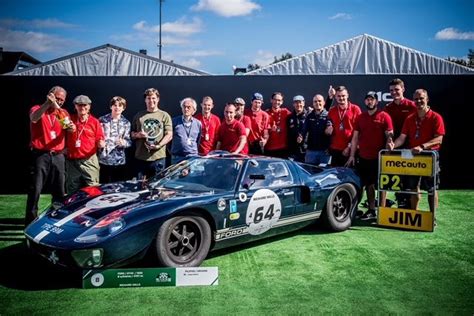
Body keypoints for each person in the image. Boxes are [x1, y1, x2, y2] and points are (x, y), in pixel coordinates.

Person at [387, 89, 445, 213]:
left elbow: (439, 139)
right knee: (413, 188)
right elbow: (402, 138)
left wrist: (423, 147)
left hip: (429, 157)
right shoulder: (410, 118)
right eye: (416, 99)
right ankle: (414, 214)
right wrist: (393, 145)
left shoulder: (436, 117)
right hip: (413, 157)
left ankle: (432, 217)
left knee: (431, 189)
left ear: (427, 99)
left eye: (421, 98)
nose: (419, 101)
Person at [25, 86, 75, 226]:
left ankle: (56, 220)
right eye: (57, 98)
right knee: (35, 190)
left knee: (59, 190)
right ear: (50, 95)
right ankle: (31, 222)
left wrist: (70, 127)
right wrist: (48, 103)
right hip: (41, 155)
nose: (59, 101)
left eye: (62, 100)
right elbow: (34, 118)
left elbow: (68, 128)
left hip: (58, 156)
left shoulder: (62, 113)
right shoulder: (37, 109)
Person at [346, 92, 393, 220]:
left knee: (382, 186)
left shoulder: (384, 116)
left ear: (376, 102)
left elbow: (389, 133)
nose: (369, 102)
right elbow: (355, 138)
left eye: (372, 99)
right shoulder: (361, 117)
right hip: (364, 157)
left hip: (380, 158)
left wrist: (390, 140)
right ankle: (372, 210)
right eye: (367, 100)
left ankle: (382, 212)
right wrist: (352, 156)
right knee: (369, 185)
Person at [384, 78, 417, 208]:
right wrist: (389, 140)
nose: (394, 92)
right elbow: (387, 128)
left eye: (397, 90)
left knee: (409, 176)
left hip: (409, 148)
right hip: (394, 147)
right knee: (396, 175)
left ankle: (410, 206)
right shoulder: (388, 107)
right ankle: (401, 202)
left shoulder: (412, 106)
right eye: (391, 90)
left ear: (403, 89)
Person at [65, 95, 105, 194]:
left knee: (93, 188)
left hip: (89, 160)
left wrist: (101, 143)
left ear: (89, 107)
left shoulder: (95, 122)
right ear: (75, 106)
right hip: (72, 161)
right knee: (71, 188)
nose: (82, 108)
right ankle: (73, 209)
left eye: (85, 105)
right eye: (79, 105)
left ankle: (93, 209)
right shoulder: (69, 120)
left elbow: (100, 138)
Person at [131, 88, 173, 180]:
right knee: (139, 187)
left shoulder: (164, 115)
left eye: (153, 98)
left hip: (158, 158)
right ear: (145, 100)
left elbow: (169, 135)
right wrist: (138, 135)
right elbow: (131, 134)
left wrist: (159, 145)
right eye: (148, 98)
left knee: (157, 188)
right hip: (141, 158)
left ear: (158, 99)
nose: (151, 101)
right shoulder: (139, 115)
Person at [98, 96, 132, 183]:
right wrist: (99, 143)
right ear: (111, 107)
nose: (117, 107)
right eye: (115, 105)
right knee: (103, 188)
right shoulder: (102, 120)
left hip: (119, 162)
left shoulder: (126, 123)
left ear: (123, 108)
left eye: (120, 105)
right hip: (104, 160)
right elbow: (97, 137)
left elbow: (129, 142)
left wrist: (123, 143)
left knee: (118, 188)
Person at [327, 86, 362, 166]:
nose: (341, 98)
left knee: (349, 176)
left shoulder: (355, 109)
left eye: (343, 96)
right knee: (335, 176)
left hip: (350, 150)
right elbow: (327, 121)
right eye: (338, 96)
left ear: (347, 95)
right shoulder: (332, 110)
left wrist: (349, 147)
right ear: (335, 97)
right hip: (335, 150)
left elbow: (360, 131)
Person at [298, 94, 332, 166]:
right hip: (311, 151)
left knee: (324, 174)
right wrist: (301, 136)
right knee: (309, 172)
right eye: (315, 101)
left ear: (324, 102)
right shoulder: (309, 116)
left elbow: (331, 130)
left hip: (325, 152)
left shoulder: (329, 115)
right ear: (313, 103)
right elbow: (304, 129)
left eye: (319, 101)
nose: (317, 103)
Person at [171, 97, 202, 164]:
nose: (186, 109)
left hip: (193, 158)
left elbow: (198, 140)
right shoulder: (174, 121)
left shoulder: (198, 124)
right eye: (184, 107)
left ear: (194, 110)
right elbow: (169, 140)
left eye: (188, 107)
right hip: (177, 157)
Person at [265, 92, 291, 158]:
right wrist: (270, 130)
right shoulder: (266, 113)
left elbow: (297, 115)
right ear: (271, 100)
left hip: (283, 149)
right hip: (269, 148)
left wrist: (308, 112)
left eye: (279, 100)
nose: (277, 102)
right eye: (275, 99)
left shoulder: (285, 112)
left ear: (282, 102)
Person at [287, 95, 308, 162]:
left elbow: (324, 110)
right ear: (293, 104)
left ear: (304, 103)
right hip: (293, 152)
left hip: (307, 151)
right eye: (296, 102)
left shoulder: (309, 115)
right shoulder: (289, 117)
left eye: (300, 102)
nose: (298, 104)